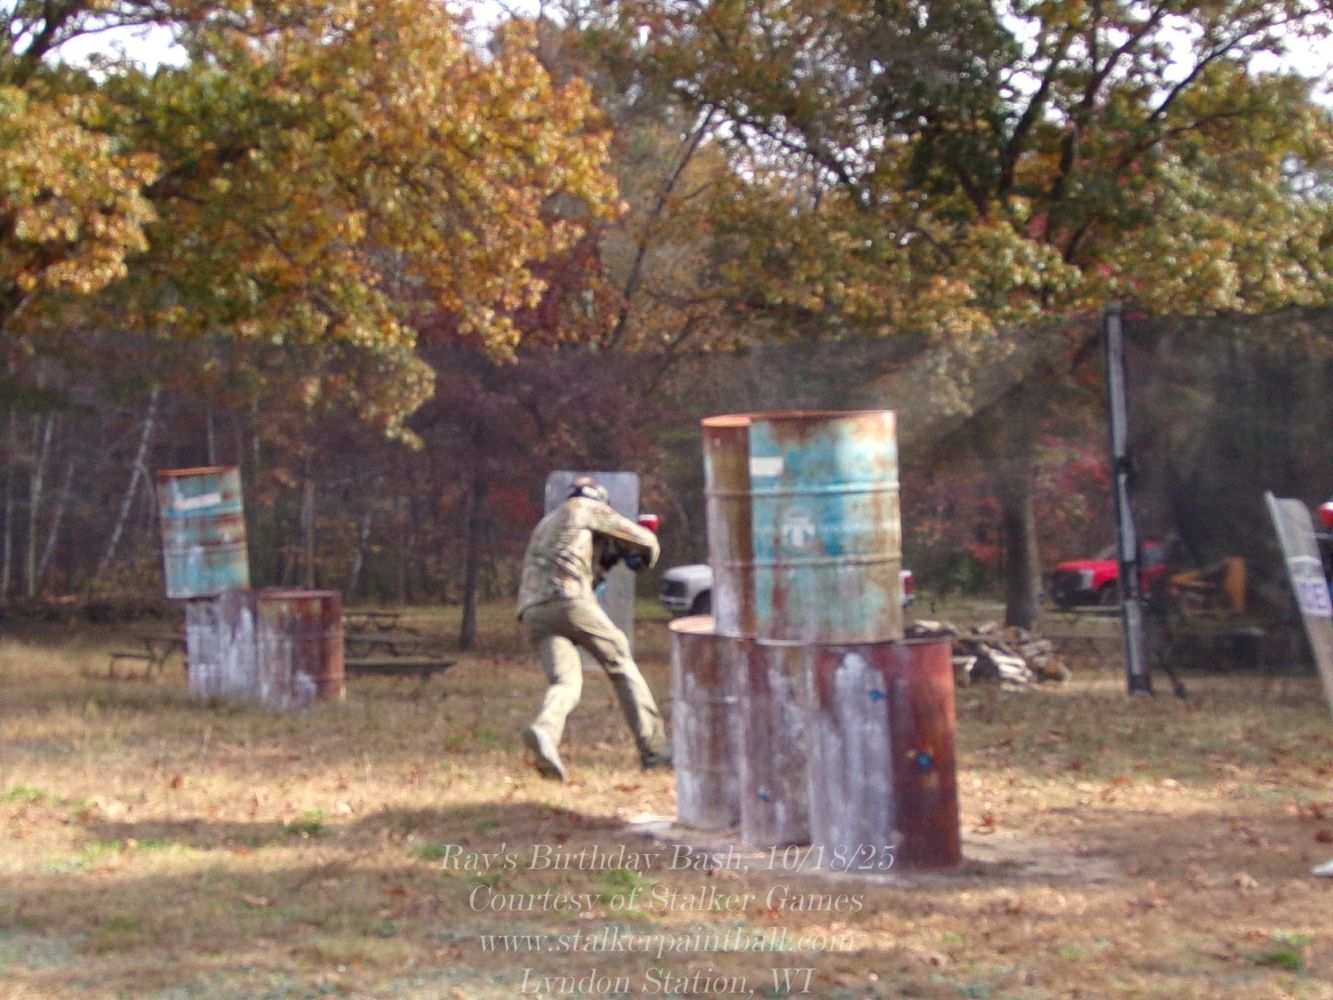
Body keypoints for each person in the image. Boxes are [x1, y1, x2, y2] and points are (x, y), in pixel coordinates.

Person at [516, 476, 672, 781]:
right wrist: (641, 550)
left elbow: (573, 565)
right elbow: (645, 544)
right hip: (569, 600)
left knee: (566, 681)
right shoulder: (588, 508)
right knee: (621, 663)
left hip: (533, 611)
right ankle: (655, 752)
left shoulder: (547, 523)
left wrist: (606, 561)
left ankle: (545, 731)